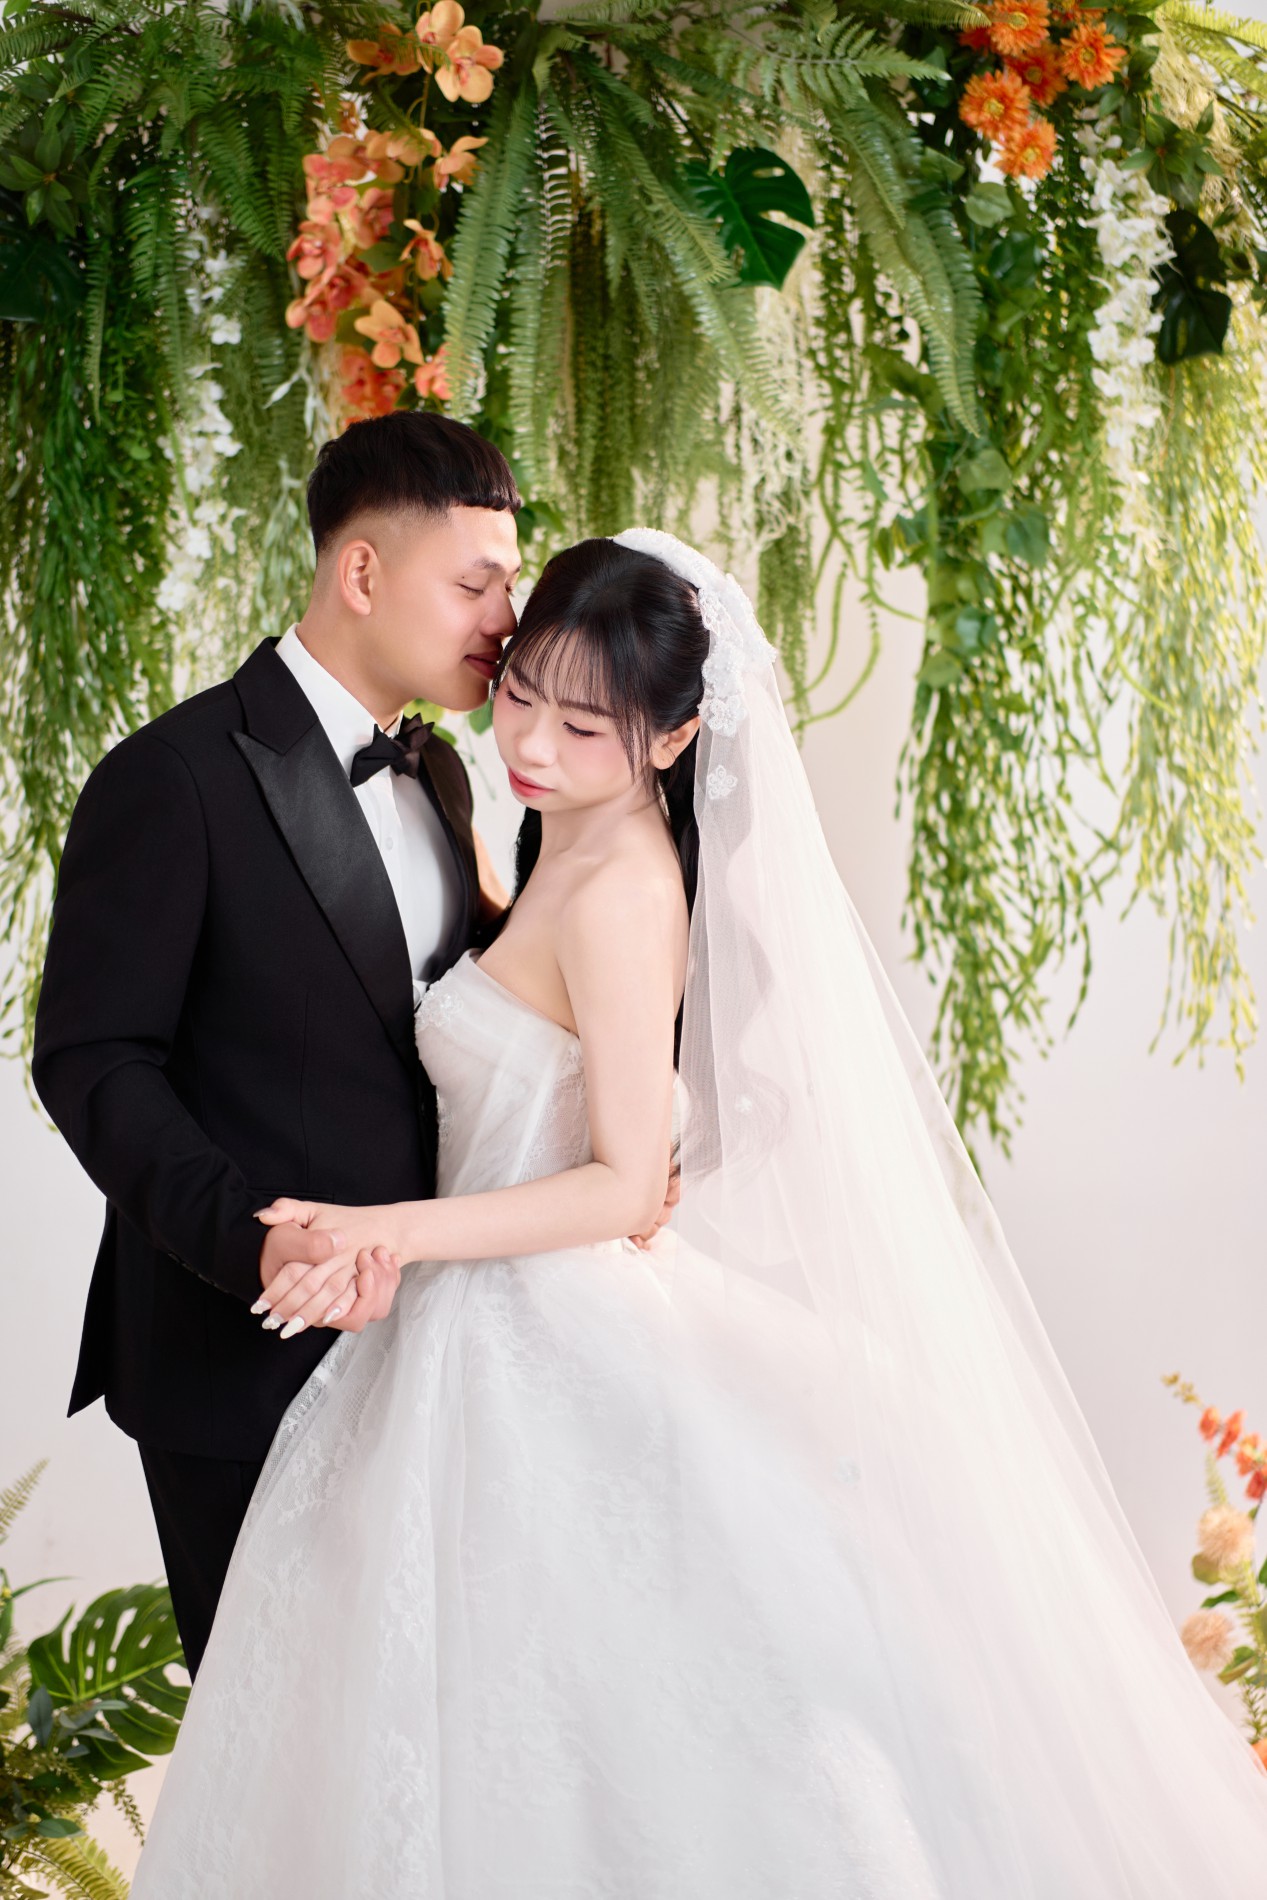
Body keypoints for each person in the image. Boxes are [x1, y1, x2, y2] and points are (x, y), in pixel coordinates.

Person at [129, 528, 1267, 1896]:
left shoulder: (620, 887)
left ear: (672, 740)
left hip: (524, 1319)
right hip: (474, 1318)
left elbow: (619, 1185)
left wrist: (391, 1229)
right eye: (521, 693)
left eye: (582, 727)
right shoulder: (548, 835)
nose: (530, 742)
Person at [32, 413, 525, 1676]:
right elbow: (93, 1060)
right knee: (275, 1746)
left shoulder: (445, 776)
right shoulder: (171, 777)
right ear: (361, 571)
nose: (507, 620)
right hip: (239, 1356)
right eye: (476, 583)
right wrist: (255, 1240)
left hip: (427, 1346)